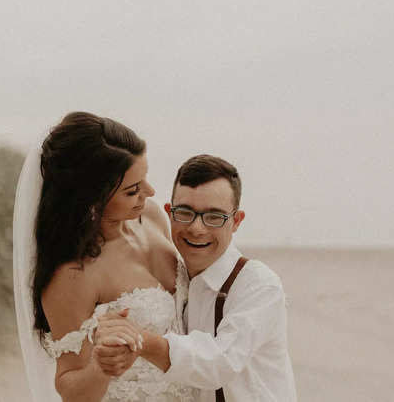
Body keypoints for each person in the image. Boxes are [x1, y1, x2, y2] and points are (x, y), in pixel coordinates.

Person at [13, 111, 197, 402]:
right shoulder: (73, 275)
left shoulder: (149, 218)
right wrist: (101, 367)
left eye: (145, 179)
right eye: (132, 190)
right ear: (90, 199)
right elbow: (69, 388)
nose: (149, 193)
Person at [93, 154, 297, 401]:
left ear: (235, 221)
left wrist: (141, 340)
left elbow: (219, 363)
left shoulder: (259, 285)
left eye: (213, 217)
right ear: (169, 213)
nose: (196, 228)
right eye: (185, 212)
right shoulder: (174, 278)